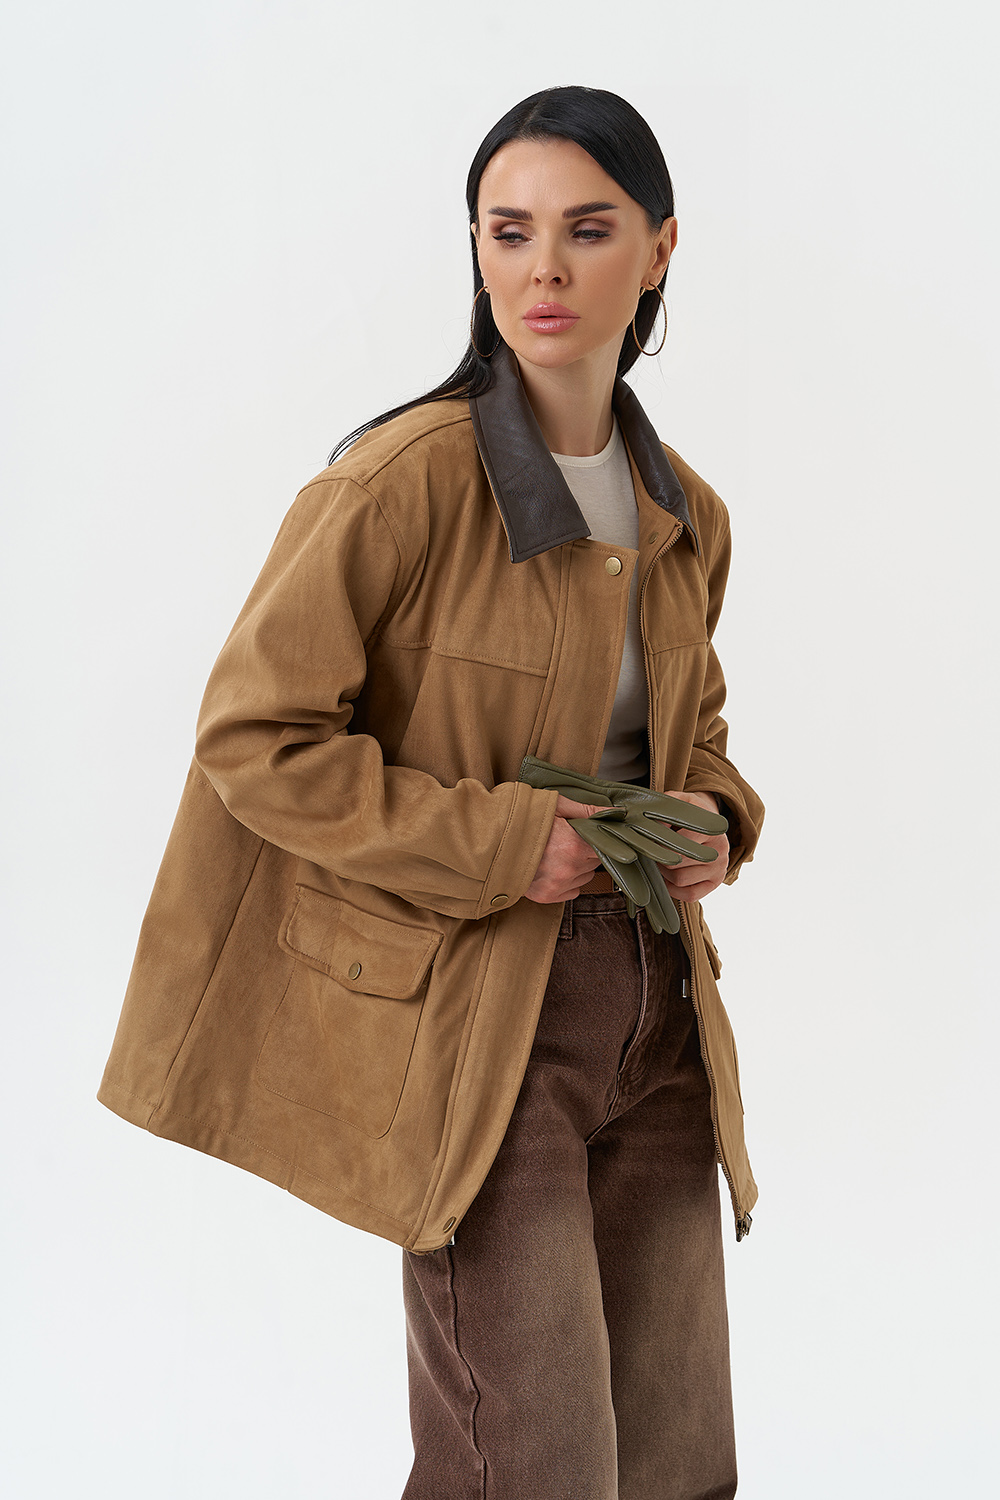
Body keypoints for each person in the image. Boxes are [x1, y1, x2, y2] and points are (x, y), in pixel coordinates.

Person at [98, 85, 764, 1499]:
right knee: (529, 1468)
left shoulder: (685, 513)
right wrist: (503, 842)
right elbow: (256, 737)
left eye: (588, 230)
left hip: (659, 1016)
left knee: (678, 1464)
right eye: (509, 231)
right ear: (476, 250)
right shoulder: (398, 487)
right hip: (482, 1024)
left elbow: (692, 730)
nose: (543, 268)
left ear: (660, 249)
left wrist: (717, 816)